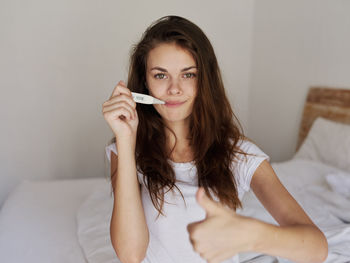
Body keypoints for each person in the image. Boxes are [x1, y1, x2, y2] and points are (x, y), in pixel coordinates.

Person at [102, 15, 328, 263]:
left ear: (204, 80)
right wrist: (125, 139)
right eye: (161, 75)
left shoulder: (239, 154)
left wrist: (252, 236)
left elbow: (317, 249)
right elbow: (130, 255)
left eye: (188, 75)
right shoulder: (126, 150)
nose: (174, 89)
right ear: (145, 82)